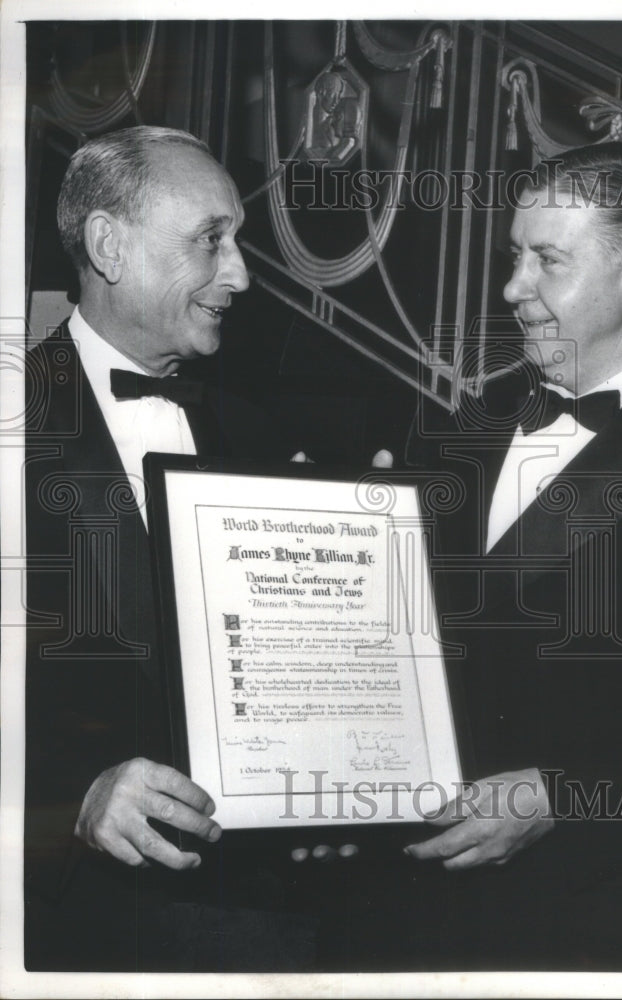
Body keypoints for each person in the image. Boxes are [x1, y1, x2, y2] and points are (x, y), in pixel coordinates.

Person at [326, 143, 622, 971]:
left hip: (602, 924)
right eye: (514, 257)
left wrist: (564, 796)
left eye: (546, 260)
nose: (513, 288)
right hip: (409, 909)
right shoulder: (458, 426)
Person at [24, 126, 320, 971]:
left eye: (239, 241)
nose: (241, 274)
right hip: (70, 931)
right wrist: (68, 799)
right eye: (210, 241)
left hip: (263, 922)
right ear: (109, 245)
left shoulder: (260, 434)